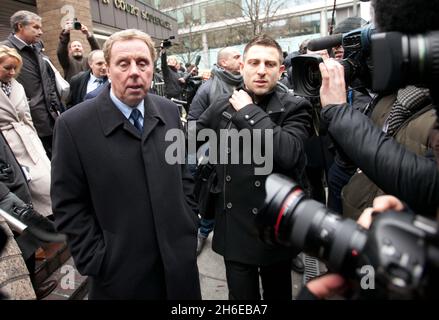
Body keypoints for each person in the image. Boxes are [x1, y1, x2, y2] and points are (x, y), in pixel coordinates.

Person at [51, 29, 201, 299]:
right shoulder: (73, 125)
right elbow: (67, 203)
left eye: (142, 63)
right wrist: (97, 258)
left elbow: (183, 173)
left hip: (179, 266)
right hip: (120, 277)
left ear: (152, 69)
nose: (134, 71)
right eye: (123, 63)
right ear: (107, 69)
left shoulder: (167, 111)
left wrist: (188, 223)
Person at [196, 35, 312, 300]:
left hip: (275, 228)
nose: (261, 70)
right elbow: (192, 138)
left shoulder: (295, 107)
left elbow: (289, 154)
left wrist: (248, 112)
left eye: (270, 64)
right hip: (234, 226)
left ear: (281, 70)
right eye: (254, 62)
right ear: (242, 67)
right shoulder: (220, 106)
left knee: (277, 293)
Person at [189, 46, 242, 255]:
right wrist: (207, 148)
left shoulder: (249, 85)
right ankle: (203, 233)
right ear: (223, 63)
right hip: (214, 157)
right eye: (236, 57)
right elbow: (193, 121)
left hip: (246, 155)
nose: (241, 60)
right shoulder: (207, 88)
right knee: (212, 197)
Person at [0, 45, 52, 218]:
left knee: (46, 183)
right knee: (25, 191)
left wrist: (36, 142)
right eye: (7, 68)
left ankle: (54, 221)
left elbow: (27, 118)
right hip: (7, 147)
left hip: (28, 141)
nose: (12, 72)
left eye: (15, 68)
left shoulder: (18, 87)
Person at [1, 10, 62, 158]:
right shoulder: (5, 51)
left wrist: (56, 107)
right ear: (20, 26)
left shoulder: (37, 49)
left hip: (50, 119)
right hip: (26, 125)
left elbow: (48, 81)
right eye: (35, 27)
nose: (40, 32)